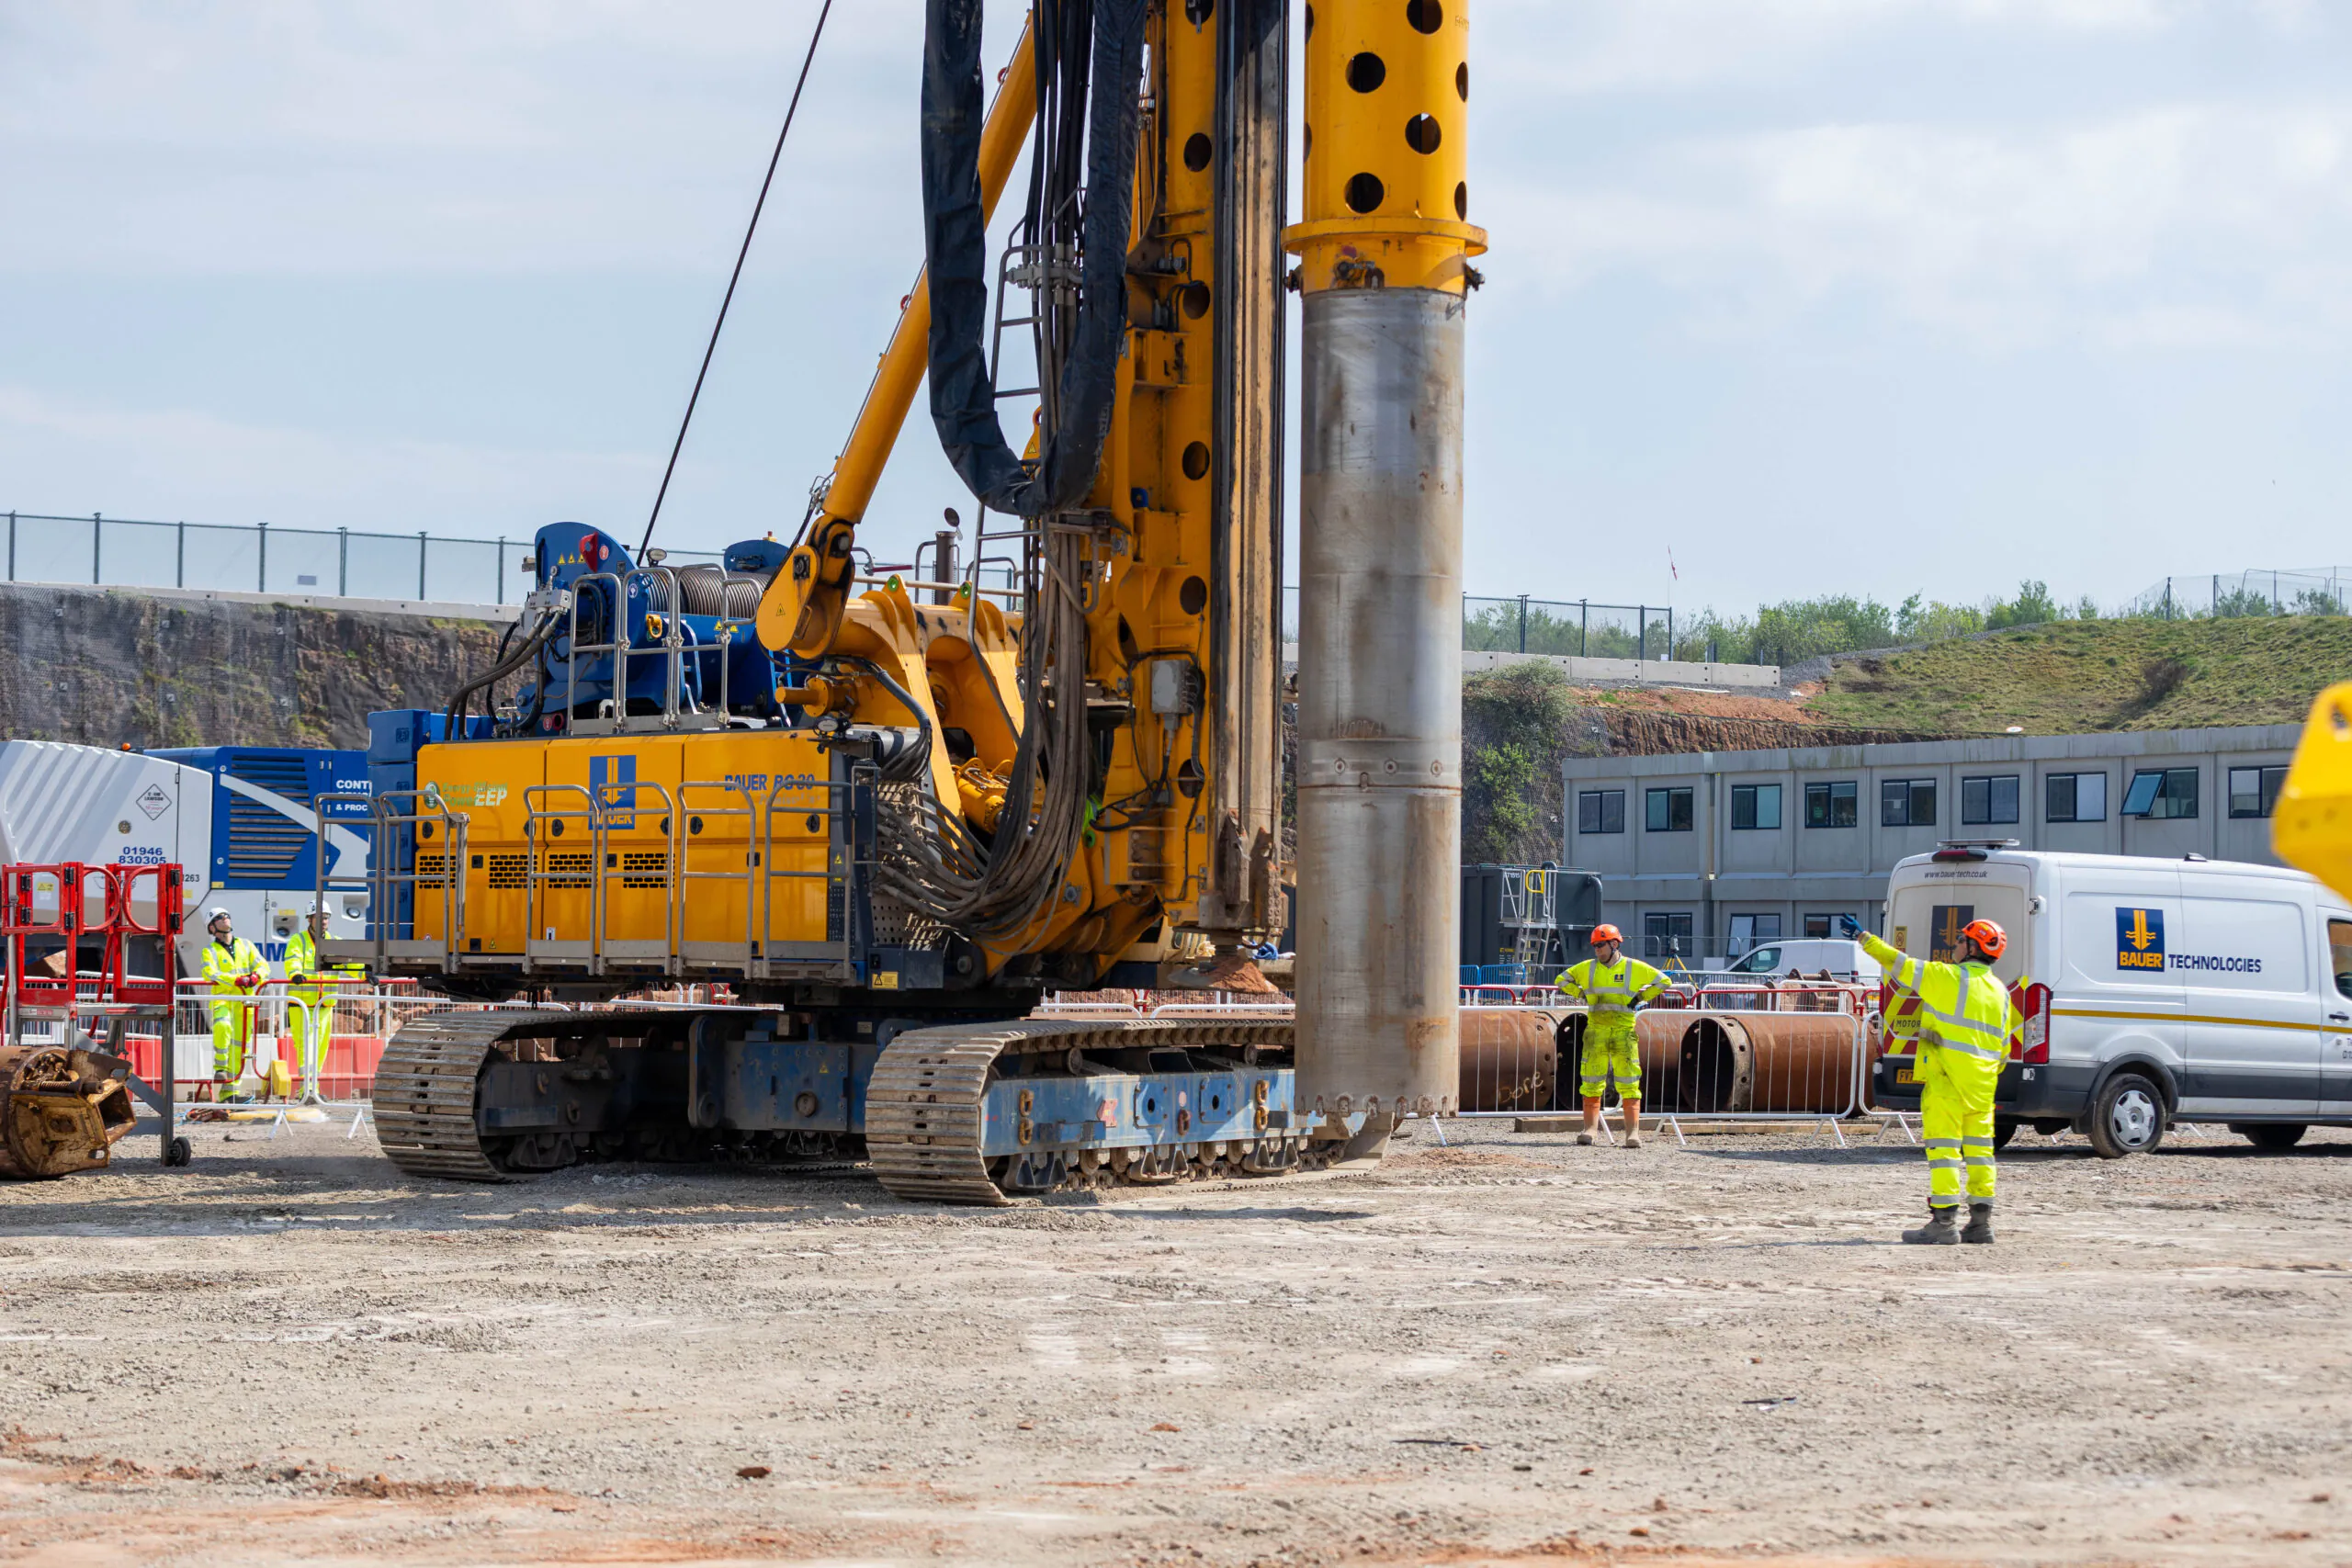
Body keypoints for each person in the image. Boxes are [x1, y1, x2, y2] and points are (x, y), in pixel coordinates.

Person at [1841, 912, 2018, 1245]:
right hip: (1982, 1086)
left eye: (1961, 940)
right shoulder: (2000, 991)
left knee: (1944, 1150)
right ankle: (1980, 1223)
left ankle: (1944, 1223)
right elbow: (2005, 1048)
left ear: (1972, 947)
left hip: (1946, 1080)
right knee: (1981, 1151)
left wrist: (1864, 938)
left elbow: (1900, 964)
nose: (1955, 945)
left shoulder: (1948, 977)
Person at [1555, 924, 1669, 1148]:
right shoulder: (1587, 968)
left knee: (1629, 1082)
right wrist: (1580, 993)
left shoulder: (1632, 967)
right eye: (1595, 945)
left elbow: (1664, 981)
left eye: (1600, 944)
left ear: (1614, 944)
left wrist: (1639, 998)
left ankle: (1632, 1134)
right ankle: (1589, 1131)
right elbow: (1561, 980)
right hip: (1596, 1032)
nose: (1596, 949)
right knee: (1590, 1082)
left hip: (1623, 1032)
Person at [281, 903, 364, 1101]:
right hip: (301, 1003)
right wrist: (295, 974)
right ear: (310, 919)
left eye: (327, 917)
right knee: (305, 1046)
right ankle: (305, 1090)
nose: (324, 921)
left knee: (319, 1048)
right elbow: (292, 960)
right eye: (320, 917)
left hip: (324, 1005)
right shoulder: (298, 940)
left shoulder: (335, 942)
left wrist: (365, 974)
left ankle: (313, 1089)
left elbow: (349, 964)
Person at [199, 908, 269, 1102]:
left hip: (244, 1002)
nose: (226, 919)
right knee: (222, 1026)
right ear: (212, 927)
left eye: (227, 916)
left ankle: (230, 1093)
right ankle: (220, 1069)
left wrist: (256, 976)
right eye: (220, 917)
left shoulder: (246, 946)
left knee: (240, 1047)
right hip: (223, 999)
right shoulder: (209, 951)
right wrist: (237, 980)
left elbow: (263, 965)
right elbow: (210, 973)